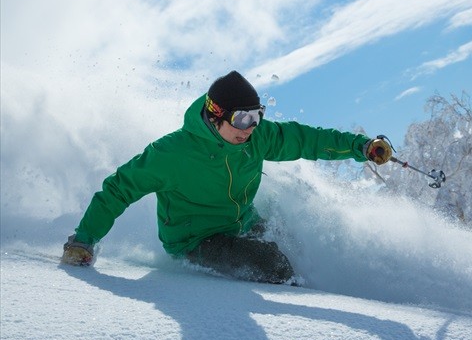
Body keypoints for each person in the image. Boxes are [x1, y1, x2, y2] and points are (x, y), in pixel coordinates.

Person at [61, 71, 393, 284]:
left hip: (242, 223)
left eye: (257, 116)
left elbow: (307, 139)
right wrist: (83, 240)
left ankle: (311, 286)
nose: (251, 127)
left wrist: (360, 147)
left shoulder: (256, 136)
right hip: (196, 241)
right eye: (243, 118)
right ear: (216, 114)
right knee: (273, 264)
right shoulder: (172, 153)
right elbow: (119, 189)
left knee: (290, 241)